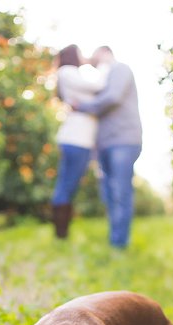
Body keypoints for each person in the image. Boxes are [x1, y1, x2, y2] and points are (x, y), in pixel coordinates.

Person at [74, 46, 142, 248]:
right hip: (105, 142)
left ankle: (119, 243)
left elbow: (112, 97)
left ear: (104, 52)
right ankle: (116, 238)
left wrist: (82, 106)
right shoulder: (103, 78)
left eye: (95, 57)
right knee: (109, 193)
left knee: (120, 191)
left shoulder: (120, 69)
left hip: (124, 140)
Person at [51, 44, 105, 238]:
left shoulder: (71, 75)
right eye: (81, 53)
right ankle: (61, 234)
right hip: (76, 139)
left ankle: (61, 233)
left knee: (68, 185)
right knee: (67, 185)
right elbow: (98, 86)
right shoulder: (68, 71)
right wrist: (105, 64)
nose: (84, 57)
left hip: (79, 138)